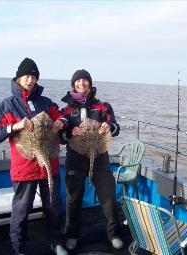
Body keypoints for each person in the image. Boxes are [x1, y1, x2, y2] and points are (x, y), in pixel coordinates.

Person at [0, 58, 68, 255]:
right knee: (21, 211)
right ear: (18, 78)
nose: (31, 80)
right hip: (25, 168)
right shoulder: (7, 105)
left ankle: (55, 242)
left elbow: (62, 117)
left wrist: (62, 123)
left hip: (50, 163)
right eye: (27, 76)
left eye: (34, 76)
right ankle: (19, 248)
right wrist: (15, 126)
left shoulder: (46, 103)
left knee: (53, 206)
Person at [60, 69, 123, 250]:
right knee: (73, 199)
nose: (81, 83)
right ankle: (72, 235)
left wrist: (108, 126)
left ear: (90, 83)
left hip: (100, 156)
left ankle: (114, 233)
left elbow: (115, 127)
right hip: (75, 158)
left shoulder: (103, 106)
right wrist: (69, 132)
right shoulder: (66, 110)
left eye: (85, 80)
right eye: (78, 81)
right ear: (73, 85)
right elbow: (62, 135)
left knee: (108, 196)